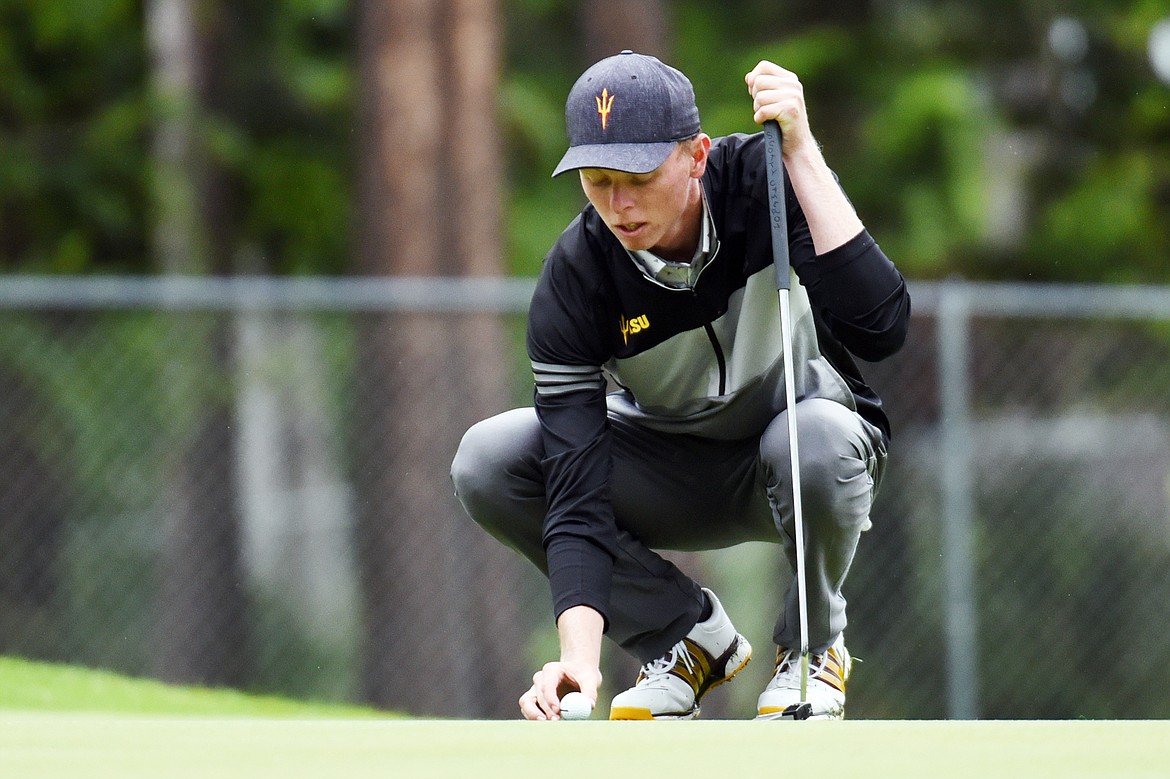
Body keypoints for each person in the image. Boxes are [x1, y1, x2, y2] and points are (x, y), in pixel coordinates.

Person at [451, 50, 910, 721]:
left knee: (813, 434)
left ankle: (813, 647)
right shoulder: (577, 277)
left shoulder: (769, 185)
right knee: (489, 460)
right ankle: (685, 638)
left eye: (637, 176)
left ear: (696, 155)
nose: (619, 204)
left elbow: (882, 328)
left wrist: (803, 150)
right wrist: (579, 660)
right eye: (598, 180)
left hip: (808, 455)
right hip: (670, 468)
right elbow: (575, 495)